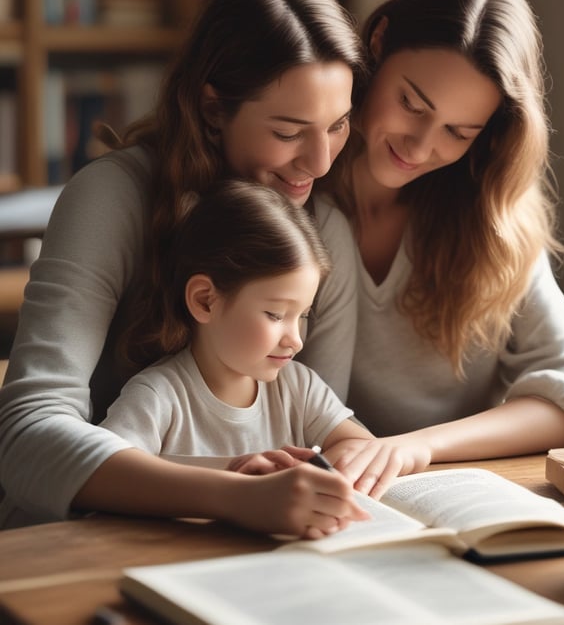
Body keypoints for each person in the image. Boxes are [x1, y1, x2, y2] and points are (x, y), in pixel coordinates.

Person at [0, 0, 369, 535]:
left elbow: (306, 439)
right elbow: (28, 435)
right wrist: (231, 492)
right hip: (78, 538)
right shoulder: (112, 197)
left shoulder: (323, 227)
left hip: (243, 540)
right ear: (213, 108)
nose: (320, 163)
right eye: (290, 131)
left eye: (337, 126)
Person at [315, 0, 564, 490]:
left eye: (458, 131)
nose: (420, 146)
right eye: (411, 103)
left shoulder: (492, 222)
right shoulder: (295, 194)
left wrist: (415, 447)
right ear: (379, 43)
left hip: (447, 486)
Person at [100, 181, 377, 505]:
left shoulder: (299, 388)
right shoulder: (158, 397)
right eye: (275, 315)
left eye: (302, 315)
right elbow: (103, 473)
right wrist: (233, 473)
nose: (296, 340)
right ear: (205, 301)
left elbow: (365, 448)